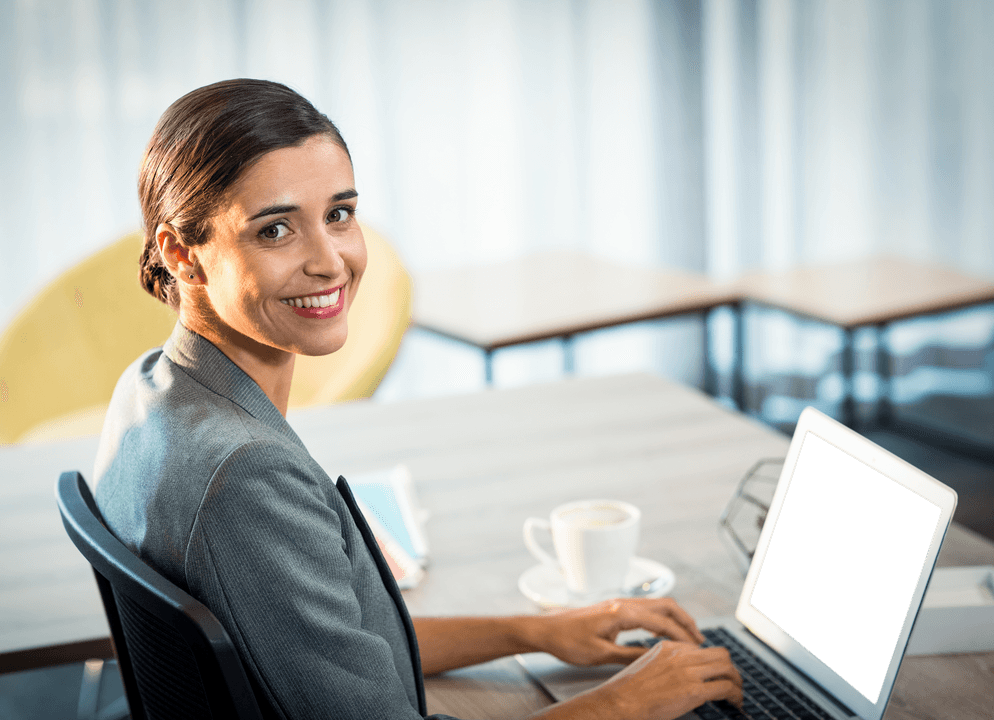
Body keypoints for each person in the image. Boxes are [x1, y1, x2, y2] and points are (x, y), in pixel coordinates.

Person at [93, 78, 743, 720]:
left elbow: (321, 645)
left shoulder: (150, 392)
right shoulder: (246, 479)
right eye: (275, 231)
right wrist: (627, 703)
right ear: (182, 254)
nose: (331, 261)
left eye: (339, 215)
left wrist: (535, 632)